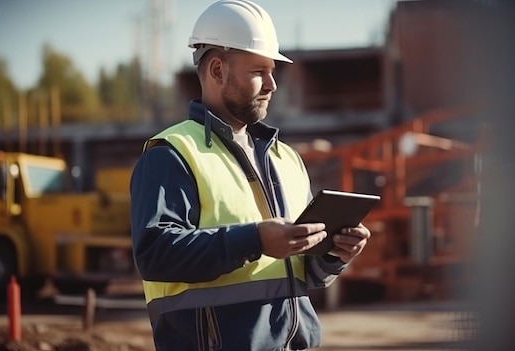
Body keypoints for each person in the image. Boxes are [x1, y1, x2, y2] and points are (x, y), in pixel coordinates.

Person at [129, 1, 371, 350]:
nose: (272, 84)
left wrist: (335, 254)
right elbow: (155, 255)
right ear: (216, 70)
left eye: (273, 71)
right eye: (258, 71)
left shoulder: (285, 157)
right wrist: (254, 240)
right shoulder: (172, 153)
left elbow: (303, 274)